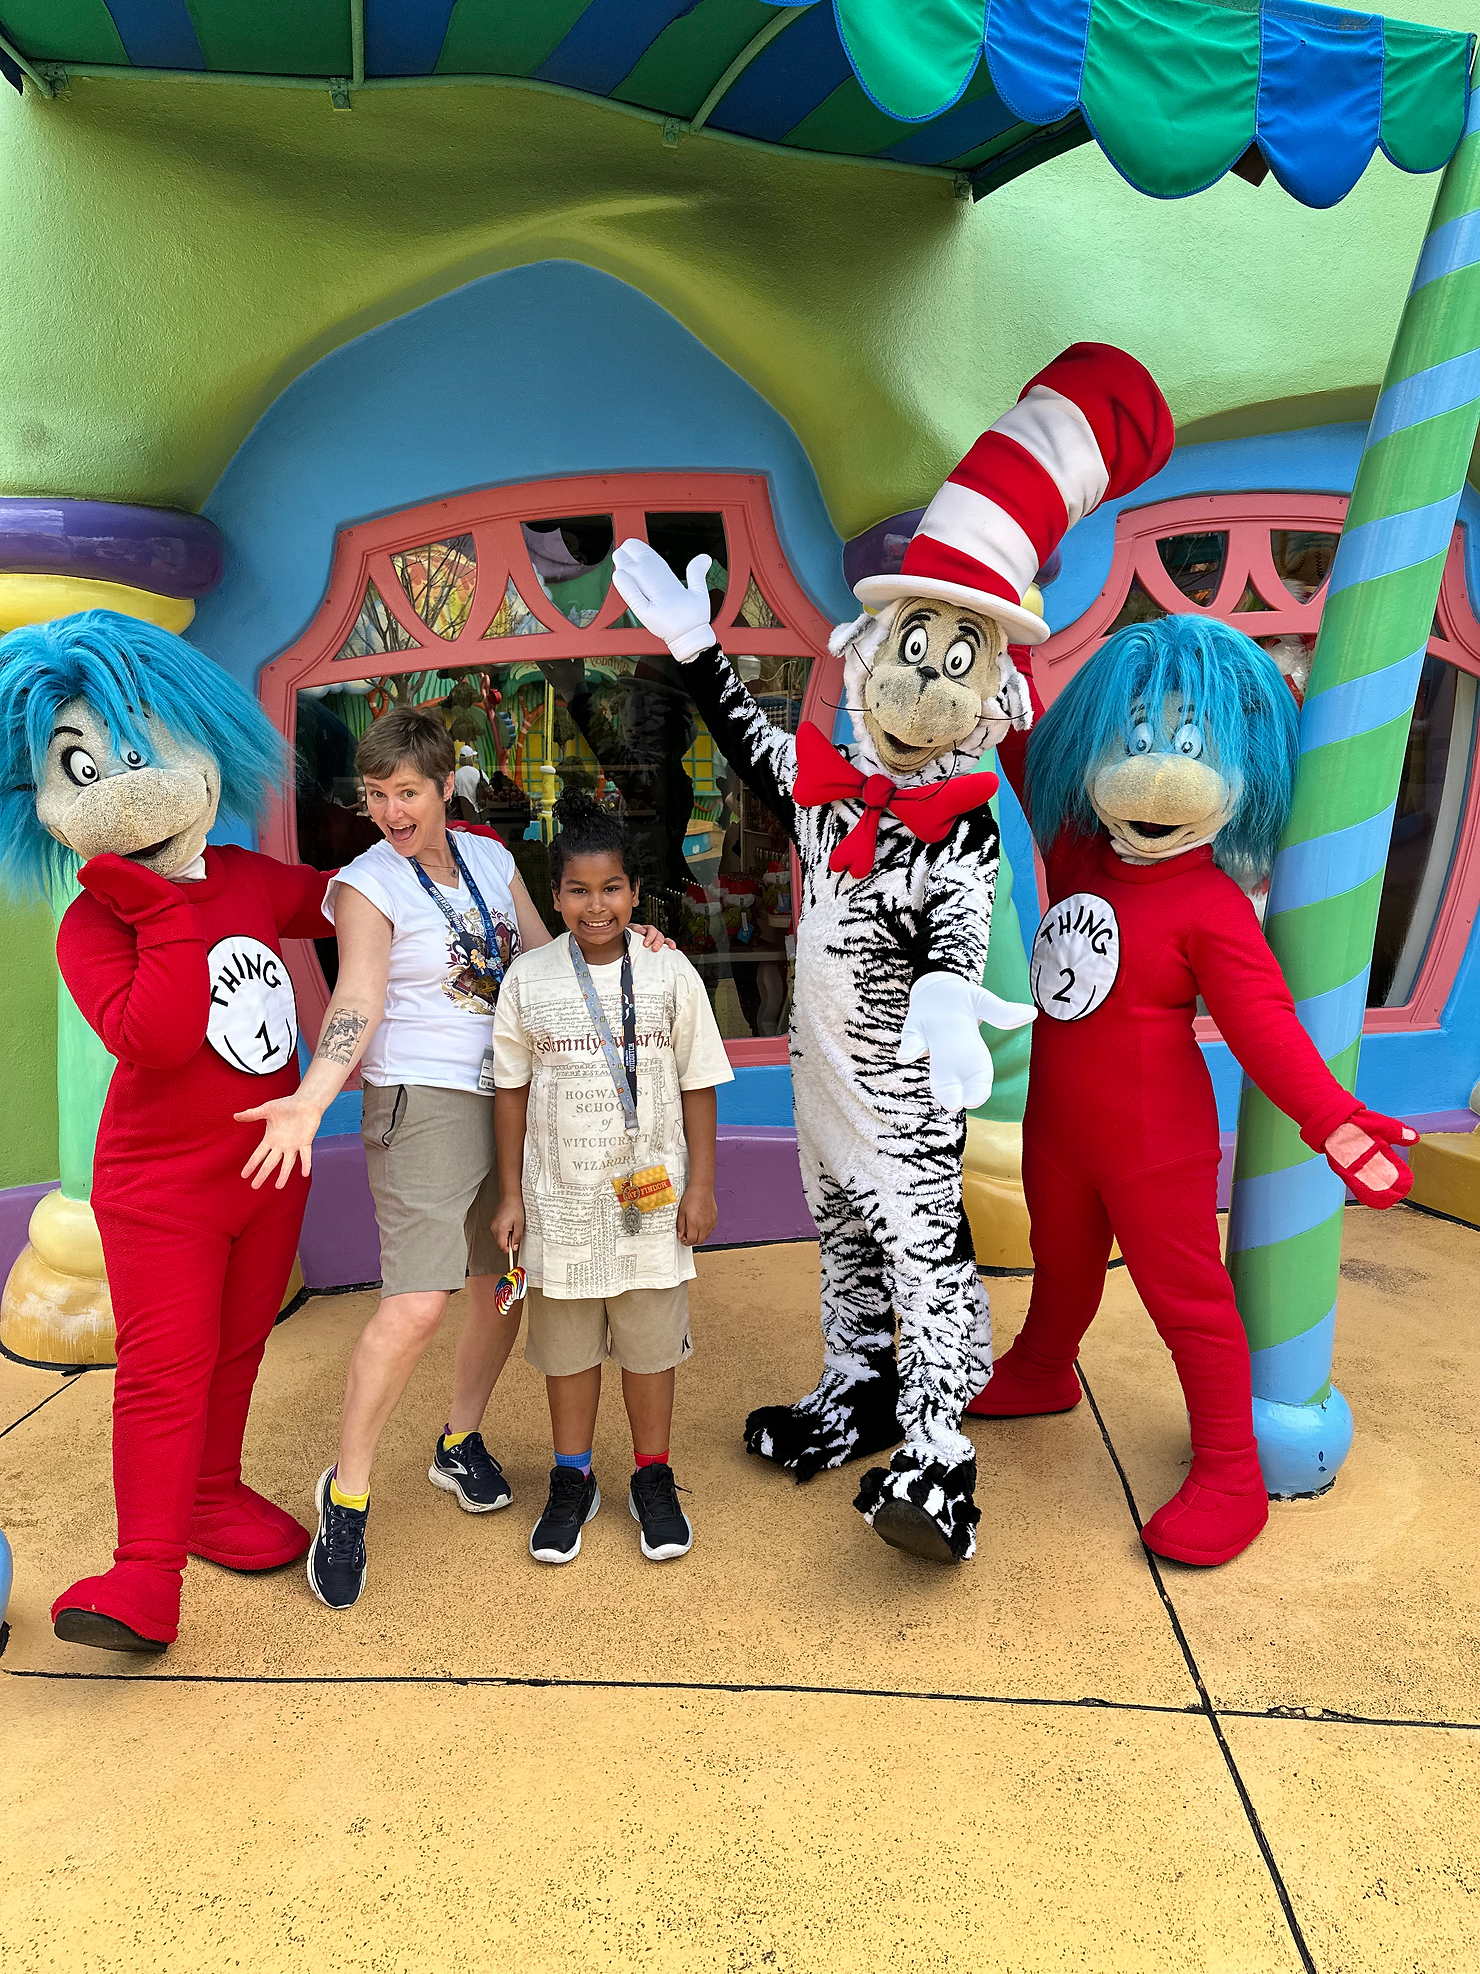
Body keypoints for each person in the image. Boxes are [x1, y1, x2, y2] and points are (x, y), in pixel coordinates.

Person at [235, 705, 672, 1609]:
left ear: (443, 788)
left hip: (513, 1095)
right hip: (422, 1101)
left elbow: (549, 961)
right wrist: (316, 1097)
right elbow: (355, 997)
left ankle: (457, 1442)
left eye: (406, 793)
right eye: (375, 796)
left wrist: (632, 948)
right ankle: (347, 1494)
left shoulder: (491, 859)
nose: (391, 811)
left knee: (503, 1286)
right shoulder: (365, 885)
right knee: (418, 1302)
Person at [490, 790, 732, 1566]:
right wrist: (509, 1195)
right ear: (555, 894)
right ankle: (572, 1478)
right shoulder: (528, 979)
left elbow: (698, 1078)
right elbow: (510, 1089)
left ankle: (651, 1477)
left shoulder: (667, 971)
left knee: (650, 1345)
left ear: (635, 891)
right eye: (578, 890)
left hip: (649, 1195)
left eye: (612, 889)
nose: (597, 906)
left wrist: (701, 1186)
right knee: (565, 1349)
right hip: (559, 1203)